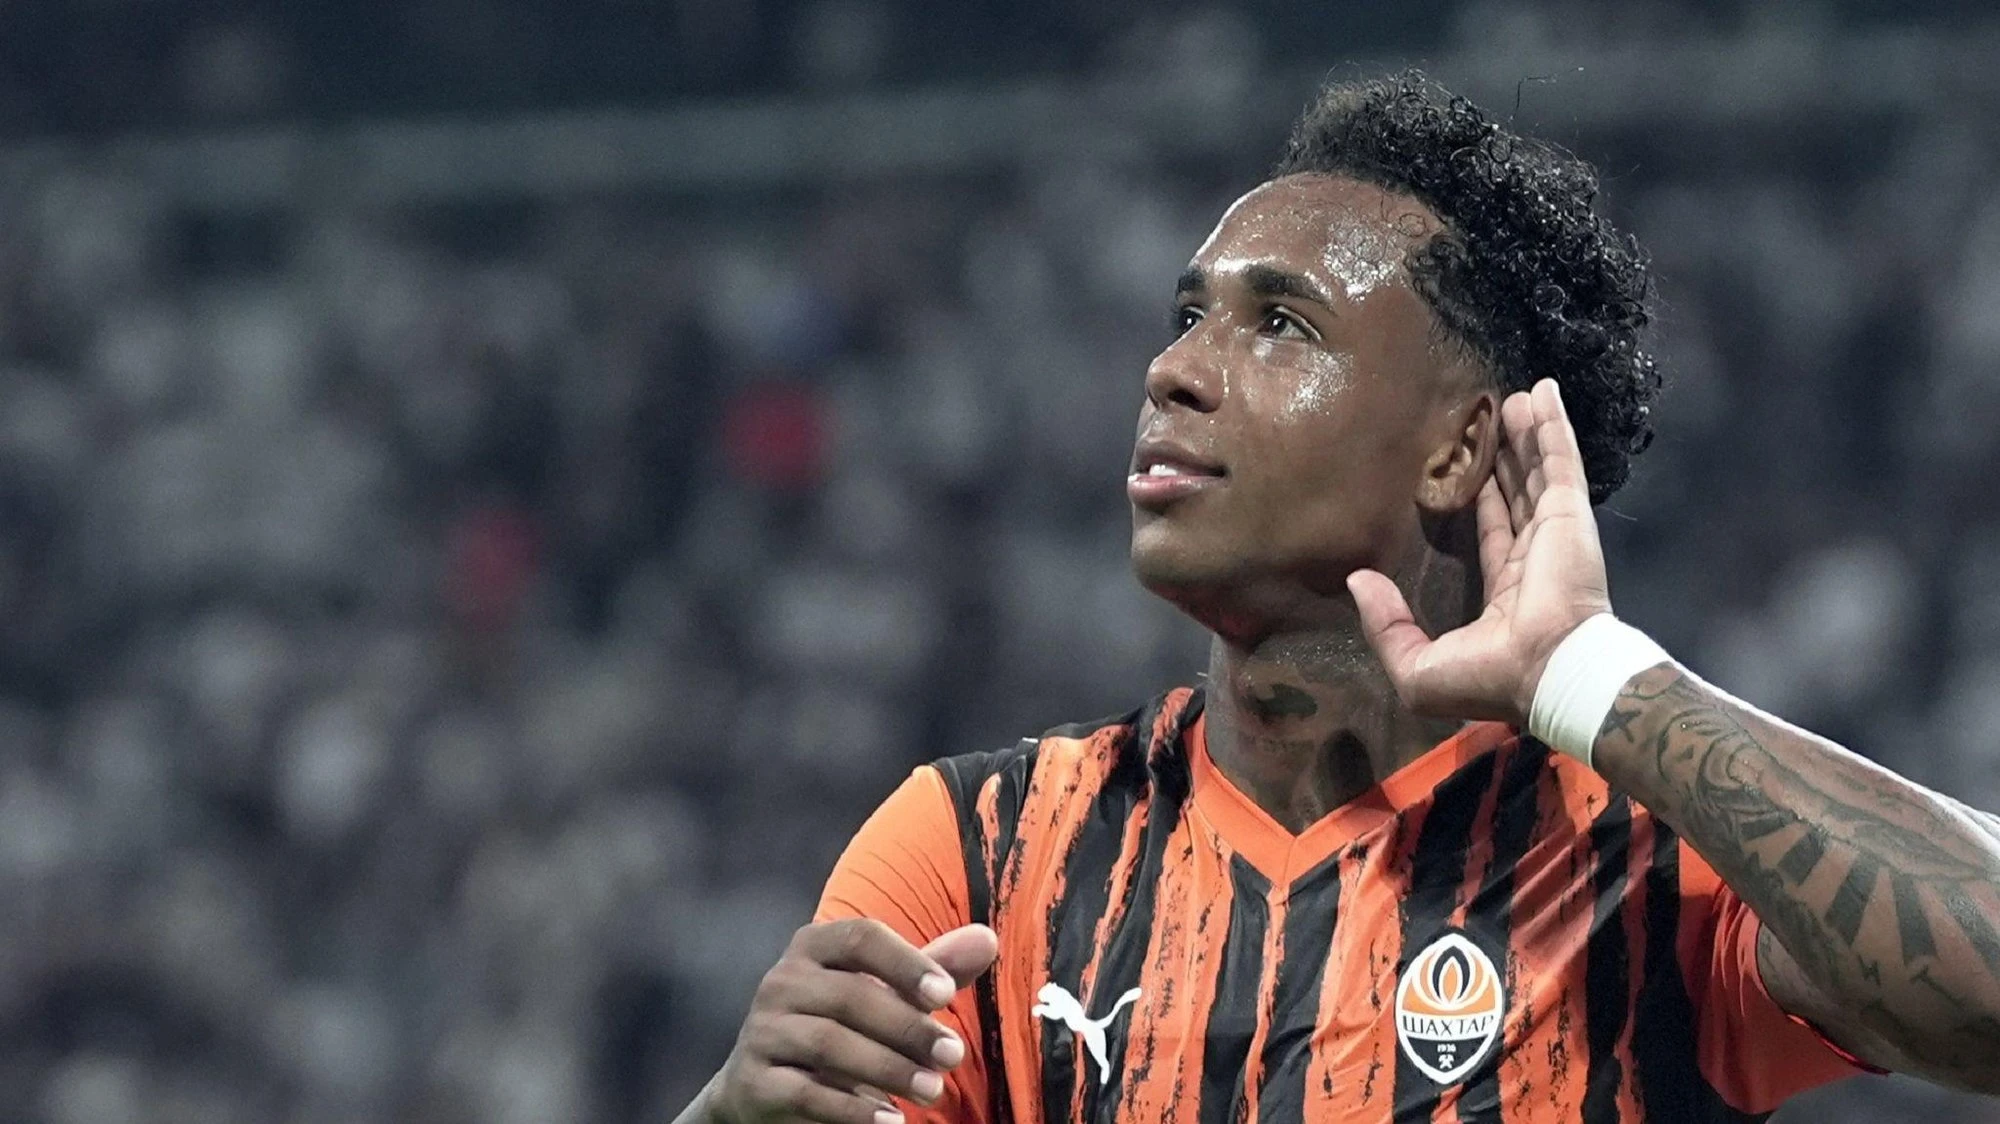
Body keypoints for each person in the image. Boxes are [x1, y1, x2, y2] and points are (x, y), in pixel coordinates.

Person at [673, 71, 2000, 1124]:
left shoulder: (1639, 864)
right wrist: (730, 1115)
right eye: (1187, 315)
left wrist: (1599, 678)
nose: (1174, 370)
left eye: (1280, 325)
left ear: (1457, 450)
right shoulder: (984, 858)